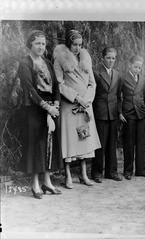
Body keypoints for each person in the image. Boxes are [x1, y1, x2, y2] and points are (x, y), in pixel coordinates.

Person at [17, 30, 63, 199]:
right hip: (34, 109)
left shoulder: (48, 63)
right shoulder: (25, 63)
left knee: (50, 145)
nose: (41, 47)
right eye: (38, 43)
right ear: (30, 44)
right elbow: (29, 89)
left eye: (43, 44)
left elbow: (57, 86)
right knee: (35, 146)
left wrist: (56, 105)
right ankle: (35, 184)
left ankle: (47, 182)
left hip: (51, 108)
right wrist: (47, 107)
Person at [53, 30, 101, 189]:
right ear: (68, 44)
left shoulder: (86, 58)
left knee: (84, 139)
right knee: (70, 140)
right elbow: (59, 84)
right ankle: (67, 175)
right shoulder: (60, 58)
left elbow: (92, 83)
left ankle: (83, 174)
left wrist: (86, 100)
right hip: (70, 104)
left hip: (85, 106)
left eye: (80, 45)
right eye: (75, 45)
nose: (78, 48)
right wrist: (76, 98)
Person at [92, 47, 123, 182]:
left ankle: (112, 172)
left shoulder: (117, 74)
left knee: (112, 143)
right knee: (101, 144)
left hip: (113, 112)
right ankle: (97, 173)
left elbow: (118, 95)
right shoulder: (96, 72)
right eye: (108, 58)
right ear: (103, 58)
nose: (111, 60)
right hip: (100, 112)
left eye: (113, 58)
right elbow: (93, 94)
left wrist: (119, 111)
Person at [119, 55, 145, 180]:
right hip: (128, 113)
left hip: (141, 113)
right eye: (135, 67)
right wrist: (120, 112)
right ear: (129, 65)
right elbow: (117, 97)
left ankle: (142, 169)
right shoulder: (123, 78)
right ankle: (128, 170)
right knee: (129, 142)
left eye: (139, 67)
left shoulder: (143, 79)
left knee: (141, 142)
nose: (137, 69)